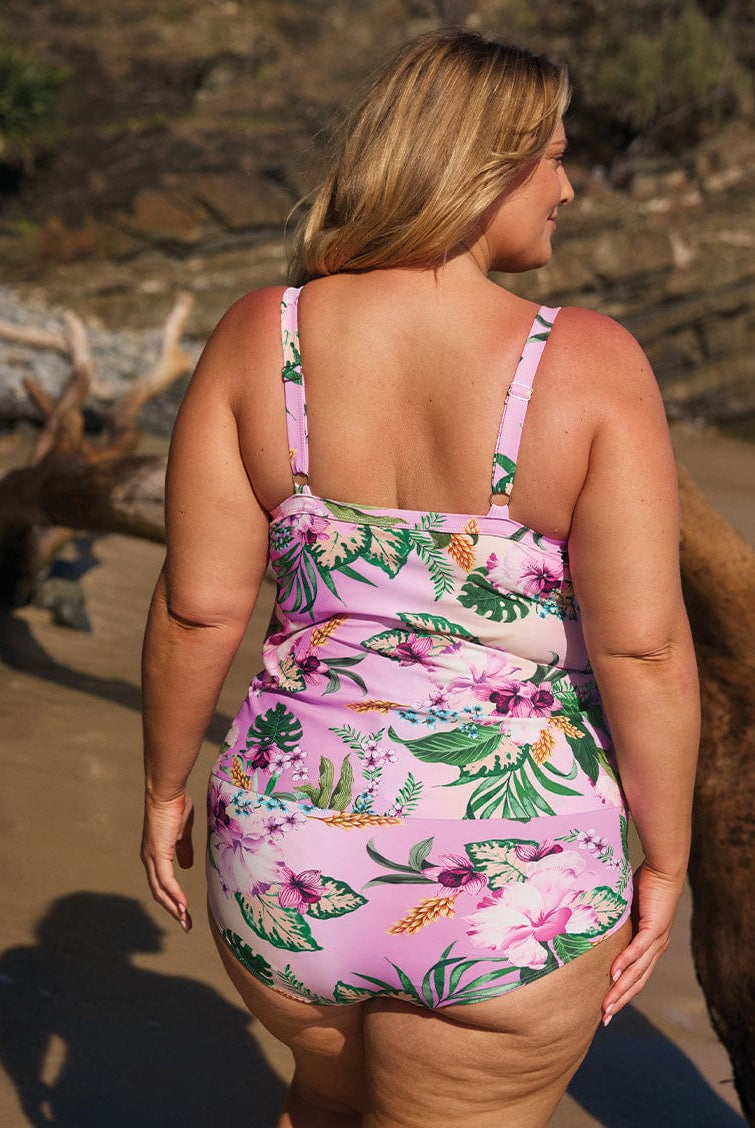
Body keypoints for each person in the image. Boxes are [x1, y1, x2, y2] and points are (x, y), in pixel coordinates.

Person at [140, 27, 699, 1128]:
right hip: (505, 877)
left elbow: (197, 604)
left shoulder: (265, 335)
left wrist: (163, 789)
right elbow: (640, 646)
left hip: (283, 852)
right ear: (480, 163)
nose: (569, 186)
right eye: (550, 153)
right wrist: (665, 856)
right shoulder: (584, 362)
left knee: (321, 1107)